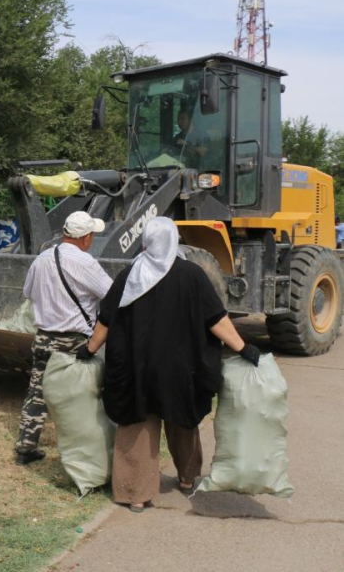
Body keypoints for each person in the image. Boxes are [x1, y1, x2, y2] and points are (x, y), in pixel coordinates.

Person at [80, 217, 259, 513]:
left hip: (136, 368)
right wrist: (243, 347)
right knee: (182, 419)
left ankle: (136, 494)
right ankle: (187, 478)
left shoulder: (129, 276)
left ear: (146, 242)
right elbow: (216, 319)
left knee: (137, 422)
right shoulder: (192, 275)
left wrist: (89, 349)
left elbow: (105, 321)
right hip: (180, 368)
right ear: (174, 240)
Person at [14, 211, 113, 465]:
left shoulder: (42, 259)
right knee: (82, 395)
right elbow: (111, 295)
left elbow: (28, 292)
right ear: (86, 237)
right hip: (75, 341)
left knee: (37, 391)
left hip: (44, 338)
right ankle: (83, 454)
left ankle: (26, 447)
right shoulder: (86, 262)